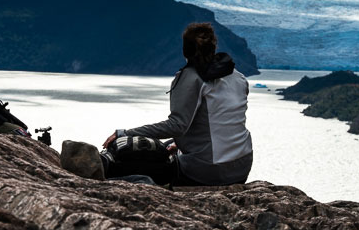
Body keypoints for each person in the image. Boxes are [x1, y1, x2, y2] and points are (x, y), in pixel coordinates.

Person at [103, 22, 253, 186]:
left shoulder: (191, 76)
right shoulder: (239, 77)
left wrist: (124, 133)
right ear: (213, 46)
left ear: (185, 50)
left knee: (129, 157)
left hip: (209, 171)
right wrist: (182, 144)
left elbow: (177, 126)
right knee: (167, 145)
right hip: (241, 166)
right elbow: (221, 122)